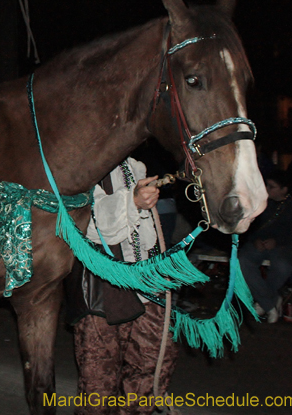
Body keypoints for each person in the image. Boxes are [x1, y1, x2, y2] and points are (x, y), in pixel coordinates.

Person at [72, 157, 178, 415]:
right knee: (99, 378)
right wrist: (132, 201)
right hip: (102, 285)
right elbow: (89, 224)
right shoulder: (85, 161)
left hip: (146, 282)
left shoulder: (134, 165)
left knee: (152, 363)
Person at [238, 169, 292, 323]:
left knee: (282, 265)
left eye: (272, 187)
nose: (267, 190)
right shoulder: (259, 202)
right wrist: (255, 239)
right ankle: (269, 304)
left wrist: (278, 241)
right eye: (266, 186)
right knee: (242, 261)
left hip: (284, 245)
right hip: (259, 243)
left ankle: (265, 301)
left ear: (284, 189)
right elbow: (249, 225)